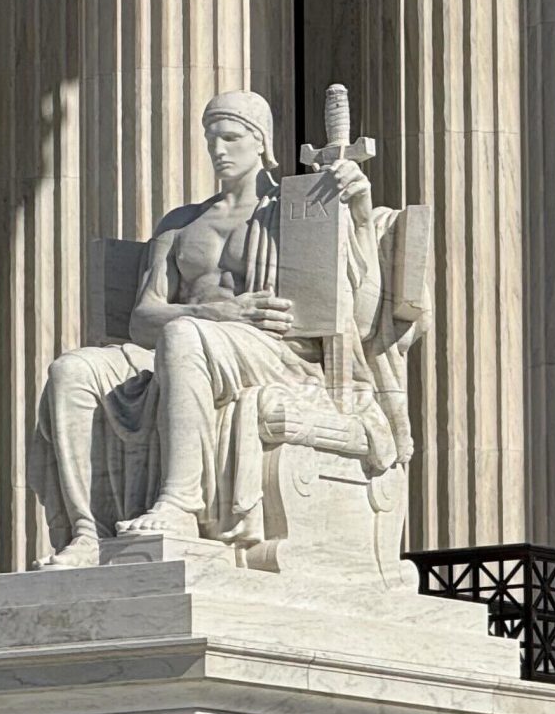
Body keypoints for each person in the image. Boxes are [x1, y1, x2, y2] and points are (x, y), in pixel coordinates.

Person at [29, 91, 383, 562]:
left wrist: (357, 215)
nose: (218, 149)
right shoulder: (180, 223)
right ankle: (87, 533)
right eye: (211, 138)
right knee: (71, 370)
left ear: (261, 143)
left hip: (276, 353)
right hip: (189, 343)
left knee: (182, 337)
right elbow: (141, 319)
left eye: (231, 137)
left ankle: (180, 502)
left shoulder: (295, 210)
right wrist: (215, 313)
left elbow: (357, 314)